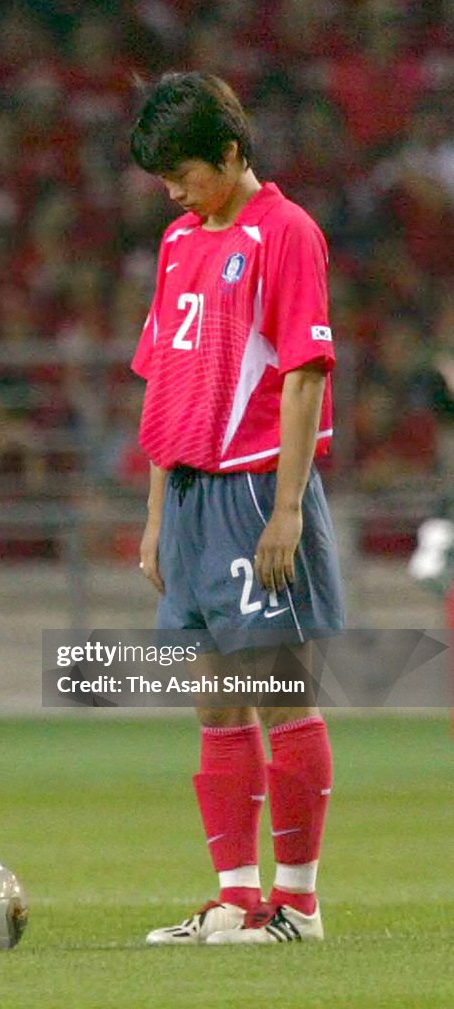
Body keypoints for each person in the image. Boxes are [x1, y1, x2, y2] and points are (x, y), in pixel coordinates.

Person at [128, 72, 345, 945]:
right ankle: (236, 897)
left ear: (231, 152)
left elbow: (303, 375)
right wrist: (154, 514)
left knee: (281, 693)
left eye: (182, 174)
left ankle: (299, 903)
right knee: (216, 703)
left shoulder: (286, 232)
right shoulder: (180, 241)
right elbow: (165, 381)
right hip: (186, 490)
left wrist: (287, 508)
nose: (173, 193)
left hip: (256, 483)